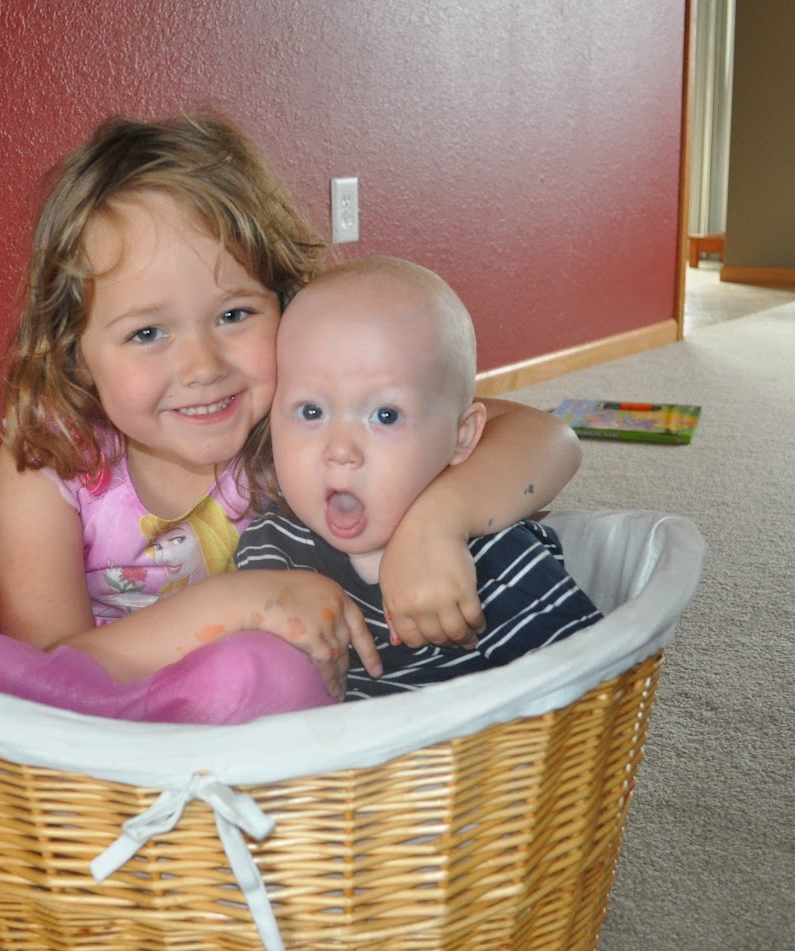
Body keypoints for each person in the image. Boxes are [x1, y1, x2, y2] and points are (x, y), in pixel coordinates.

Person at [0, 112, 584, 722]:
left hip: (284, 729)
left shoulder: (301, 416)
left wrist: (436, 523)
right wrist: (240, 601)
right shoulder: (52, 461)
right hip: (112, 732)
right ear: (74, 351)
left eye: (235, 314)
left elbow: (546, 438)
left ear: (284, 304)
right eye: (148, 332)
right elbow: (45, 676)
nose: (203, 365)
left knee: (280, 676)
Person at [235, 256, 604, 699]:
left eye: (386, 415)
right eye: (311, 411)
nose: (340, 450)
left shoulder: (495, 561)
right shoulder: (269, 547)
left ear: (460, 436)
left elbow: (591, 695)